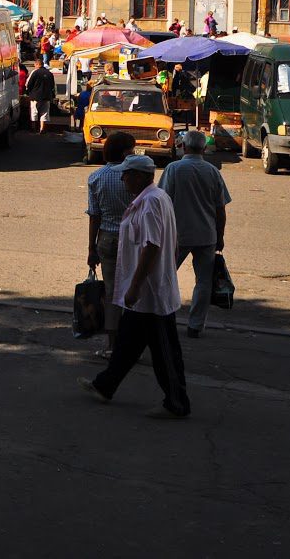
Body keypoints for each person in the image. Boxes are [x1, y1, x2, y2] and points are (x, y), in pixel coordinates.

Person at [81, 154, 189, 418]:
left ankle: (177, 402)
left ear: (140, 176)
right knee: (128, 343)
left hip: (150, 294)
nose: (123, 178)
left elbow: (152, 246)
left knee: (165, 351)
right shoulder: (153, 198)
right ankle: (105, 385)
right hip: (144, 292)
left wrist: (135, 286)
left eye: (126, 174)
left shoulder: (151, 202)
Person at [159, 130, 230, 338]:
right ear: (204, 148)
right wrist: (220, 235)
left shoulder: (174, 169)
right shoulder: (213, 171)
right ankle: (196, 325)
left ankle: (164, 317)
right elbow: (221, 208)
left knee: (166, 276)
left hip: (177, 235)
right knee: (204, 281)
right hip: (206, 235)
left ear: (184, 146)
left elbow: (162, 201)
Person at [85, 131, 138, 353]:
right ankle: (130, 343)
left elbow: (94, 215)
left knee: (111, 292)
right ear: (124, 152)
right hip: (133, 238)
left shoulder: (96, 177)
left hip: (107, 238)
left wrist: (91, 248)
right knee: (133, 290)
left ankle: (112, 345)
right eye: (131, 150)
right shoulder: (134, 176)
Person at [24, 56, 55, 134]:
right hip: (46, 96)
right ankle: (42, 129)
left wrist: (28, 92)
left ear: (37, 64)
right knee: (44, 112)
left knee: (34, 112)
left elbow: (28, 84)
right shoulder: (49, 73)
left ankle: (34, 128)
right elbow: (52, 85)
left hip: (35, 96)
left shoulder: (35, 72)